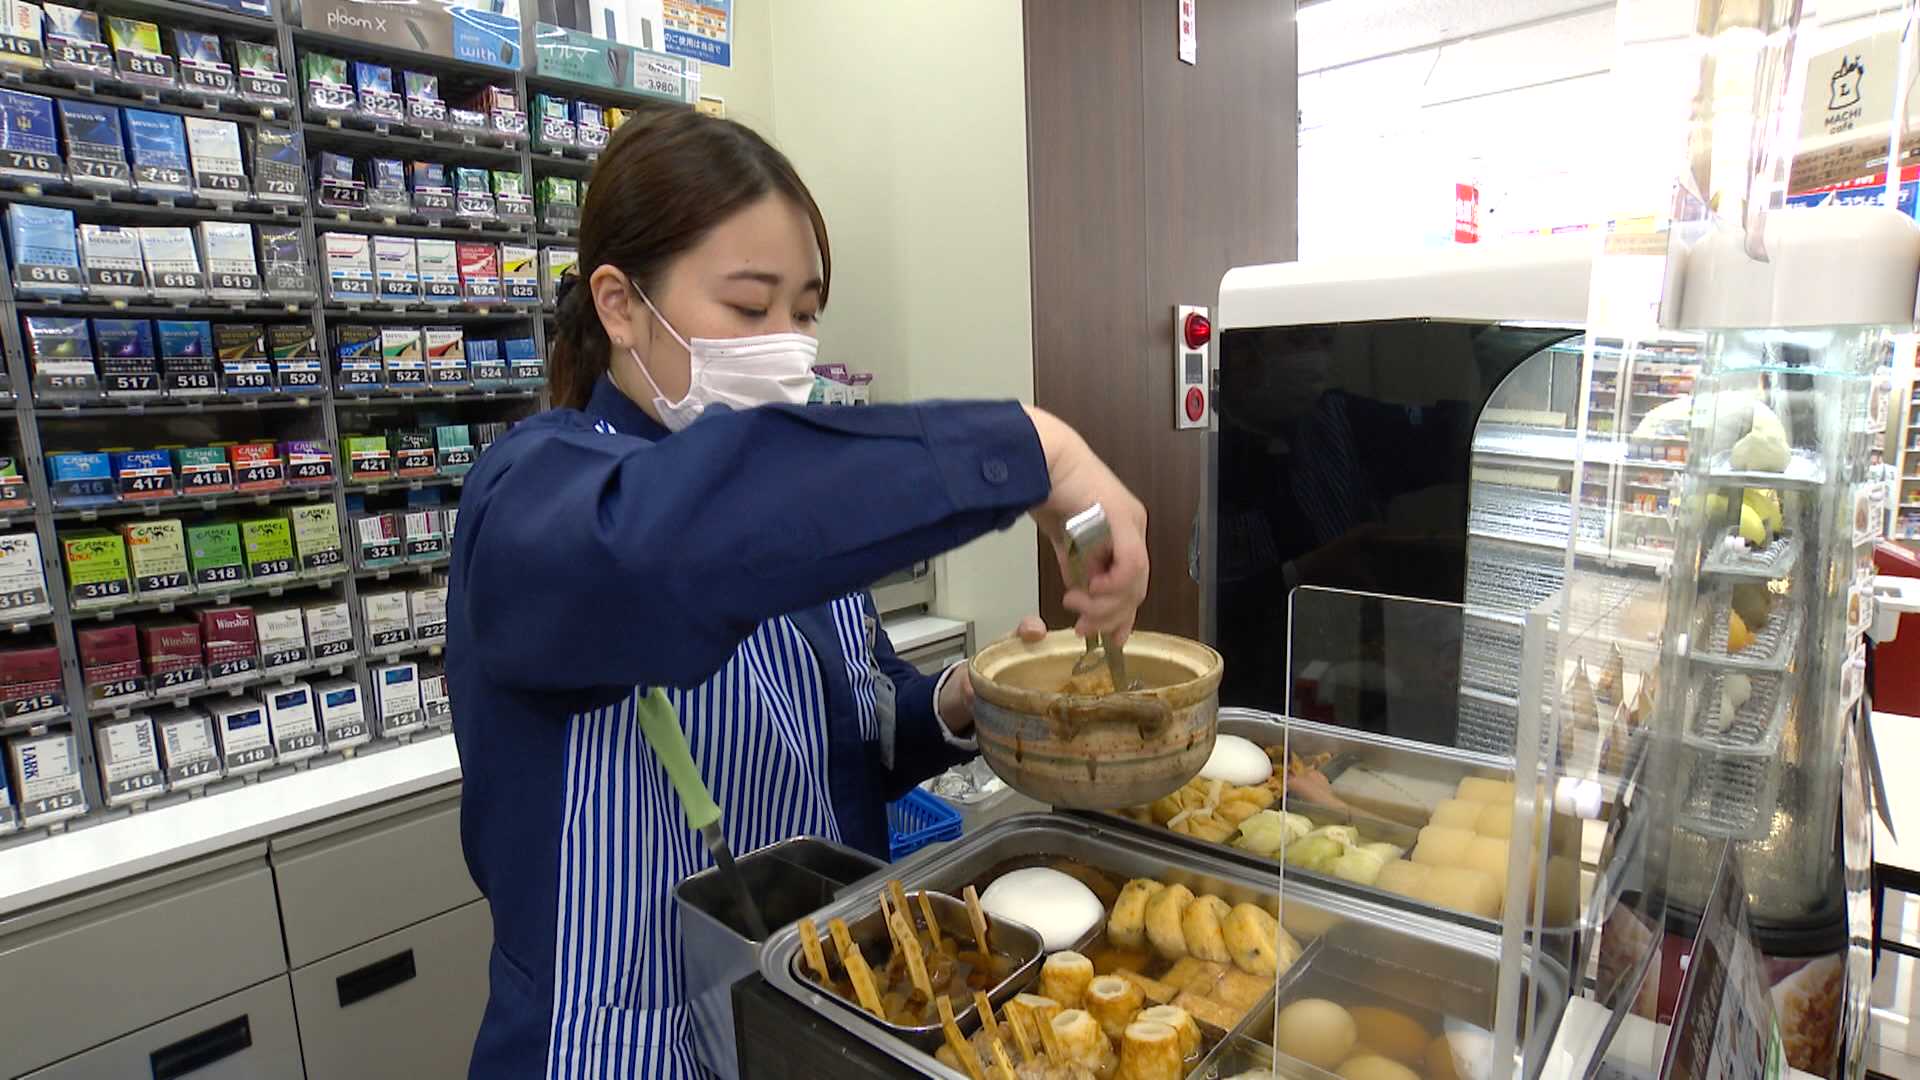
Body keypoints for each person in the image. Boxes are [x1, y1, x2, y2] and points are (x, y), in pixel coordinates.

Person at [447, 105, 1149, 1079]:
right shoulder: (536, 494)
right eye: (748, 307)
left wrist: (961, 698)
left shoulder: (799, 517)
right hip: (618, 1044)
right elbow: (659, 553)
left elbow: (850, 736)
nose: (786, 344)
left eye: (806, 310)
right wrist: (1035, 450)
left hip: (813, 1018)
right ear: (618, 304)